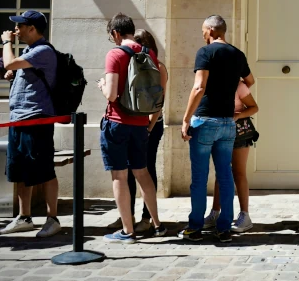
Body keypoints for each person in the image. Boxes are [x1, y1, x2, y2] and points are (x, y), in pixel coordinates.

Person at [180, 15, 253, 243]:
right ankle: (224, 228)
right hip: (227, 123)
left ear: (212, 30)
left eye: (203, 30)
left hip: (205, 120)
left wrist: (186, 118)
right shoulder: (237, 54)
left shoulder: (206, 52)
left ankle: (195, 227)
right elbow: (249, 81)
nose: (202, 34)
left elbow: (199, 86)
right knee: (225, 176)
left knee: (200, 178)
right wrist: (229, 90)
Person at [98, 13, 166, 243]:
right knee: (143, 173)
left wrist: (102, 85)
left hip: (117, 122)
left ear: (116, 33)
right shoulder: (149, 54)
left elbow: (112, 94)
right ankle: (157, 225)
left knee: (119, 175)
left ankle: (128, 231)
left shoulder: (115, 54)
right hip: (140, 123)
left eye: (111, 36)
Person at [0, 11, 61, 237]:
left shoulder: (43, 51)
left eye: (21, 26)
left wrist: (6, 43)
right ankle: (24, 217)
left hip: (37, 118)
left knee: (44, 170)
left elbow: (9, 63)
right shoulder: (29, 52)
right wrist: (14, 76)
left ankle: (52, 219)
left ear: (32, 28)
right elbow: (15, 69)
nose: (17, 30)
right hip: (19, 117)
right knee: (21, 170)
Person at [203, 79, 259, 233]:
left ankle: (245, 215)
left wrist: (237, 116)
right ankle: (215, 213)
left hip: (239, 132)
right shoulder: (209, 83)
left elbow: (254, 107)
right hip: (219, 131)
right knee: (221, 172)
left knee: (239, 172)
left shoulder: (238, 85)